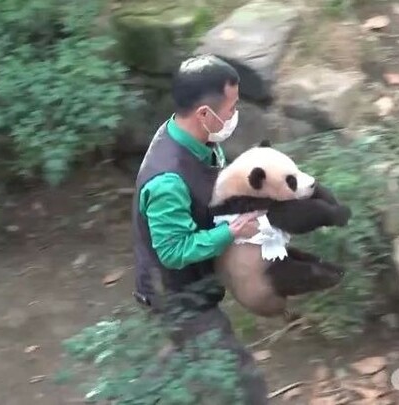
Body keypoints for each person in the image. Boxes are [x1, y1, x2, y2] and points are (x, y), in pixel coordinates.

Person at [131, 54, 269, 404]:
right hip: (175, 294)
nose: (235, 115)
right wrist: (232, 232)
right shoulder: (167, 180)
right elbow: (173, 251)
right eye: (232, 107)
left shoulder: (193, 137)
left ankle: (138, 393)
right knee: (243, 378)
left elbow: (204, 193)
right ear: (205, 115)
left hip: (192, 283)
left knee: (185, 350)